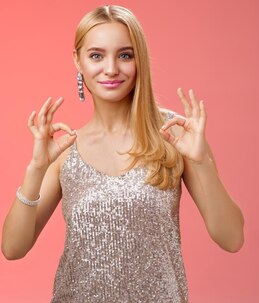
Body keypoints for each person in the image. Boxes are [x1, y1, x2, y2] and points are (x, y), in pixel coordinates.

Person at [1, 5, 245, 302]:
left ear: (139, 59)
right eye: (96, 55)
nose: (111, 68)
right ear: (78, 61)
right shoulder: (65, 150)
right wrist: (36, 168)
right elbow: (13, 249)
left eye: (125, 55)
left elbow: (232, 238)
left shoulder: (175, 133)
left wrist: (201, 163)